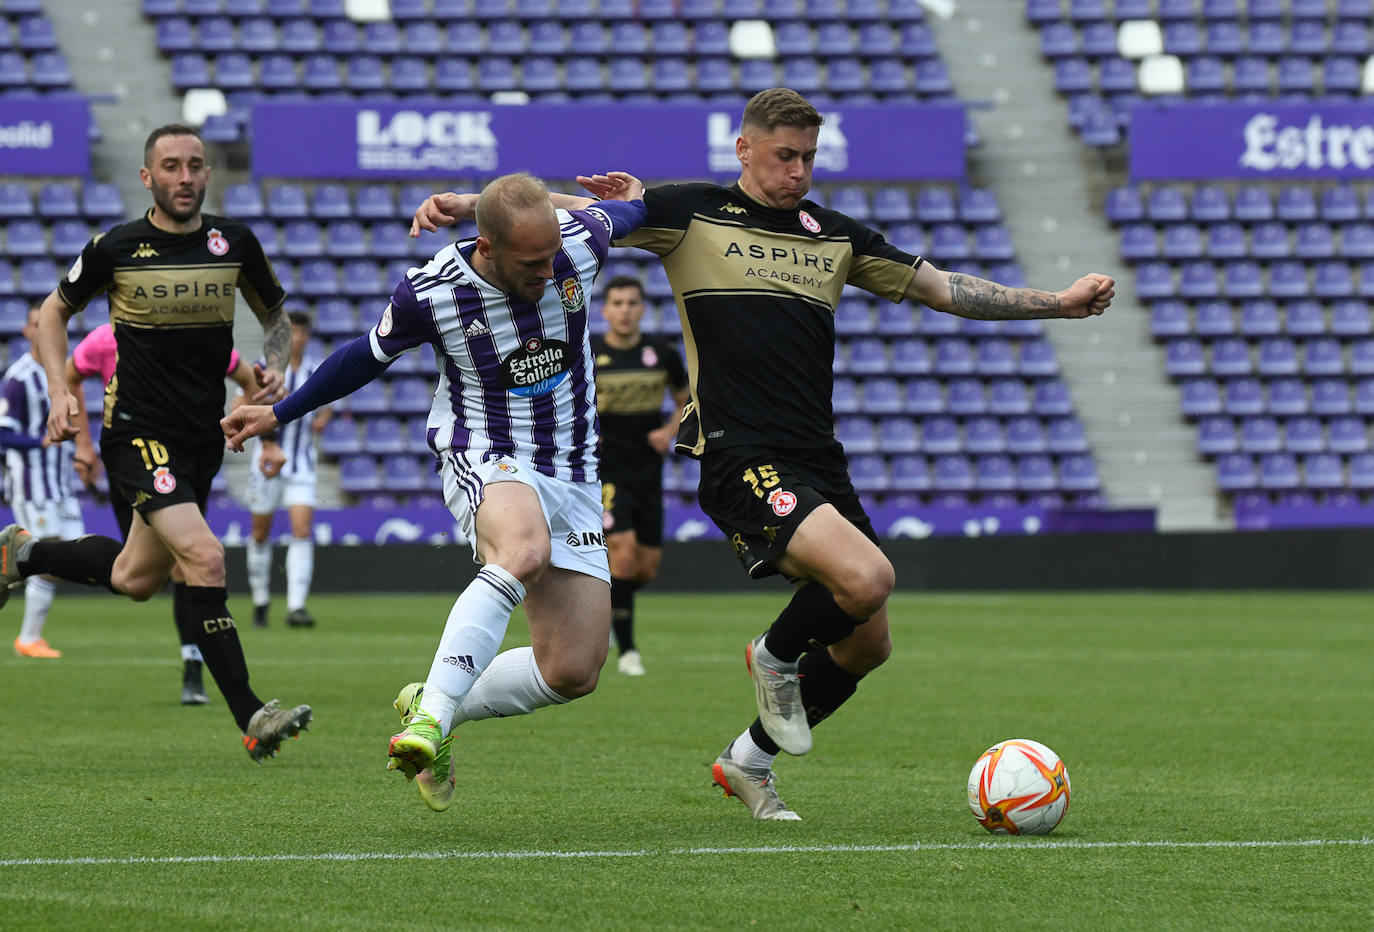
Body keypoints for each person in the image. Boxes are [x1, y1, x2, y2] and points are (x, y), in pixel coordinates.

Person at [411, 88, 1115, 820]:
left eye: (809, 157)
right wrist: (471, 203)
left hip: (818, 456)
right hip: (737, 449)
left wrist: (1056, 303)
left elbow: (946, 289)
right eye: (785, 156)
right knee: (870, 575)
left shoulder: (837, 235)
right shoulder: (693, 212)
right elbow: (569, 214)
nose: (798, 172)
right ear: (745, 149)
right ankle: (774, 657)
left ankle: (747, 760)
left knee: (867, 641)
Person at [222, 171, 648, 811]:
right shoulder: (433, 289)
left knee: (572, 671)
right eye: (529, 263)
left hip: (575, 470)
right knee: (522, 551)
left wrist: (615, 200)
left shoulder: (580, 240)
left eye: (549, 255)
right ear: (487, 246)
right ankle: (428, 722)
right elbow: (363, 357)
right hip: (486, 450)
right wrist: (278, 415)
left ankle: (435, 705)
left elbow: (632, 209)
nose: (545, 271)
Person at [0, 123, 312, 762]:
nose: (186, 176)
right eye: (171, 165)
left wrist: (274, 362)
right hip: (136, 433)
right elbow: (55, 310)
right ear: (148, 177)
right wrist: (63, 390)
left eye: (195, 165)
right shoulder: (117, 248)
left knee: (135, 578)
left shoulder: (233, 243)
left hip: (201, 437)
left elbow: (274, 315)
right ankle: (252, 714)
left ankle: (24, 555)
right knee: (204, 558)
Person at [66, 320, 287, 703]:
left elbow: (247, 379)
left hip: (184, 463)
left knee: (185, 563)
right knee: (134, 578)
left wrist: (263, 437)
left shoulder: (195, 334)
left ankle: (193, 670)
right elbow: (70, 376)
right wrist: (83, 444)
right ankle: (31, 556)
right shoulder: (104, 339)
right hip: (133, 462)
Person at [590, 275, 689, 676]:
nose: (625, 310)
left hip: (648, 469)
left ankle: (615, 609)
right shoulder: (589, 352)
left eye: (632, 303)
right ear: (605, 311)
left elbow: (686, 400)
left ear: (642, 308)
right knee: (624, 553)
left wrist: (669, 432)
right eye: (618, 303)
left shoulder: (662, 352)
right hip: (606, 467)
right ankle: (628, 650)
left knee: (645, 567)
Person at [1, 306, 83, 659]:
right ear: (27, 331)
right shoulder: (18, 378)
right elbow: (3, 434)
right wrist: (41, 441)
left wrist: (81, 455)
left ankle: (29, 631)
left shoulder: (60, 373)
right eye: (38, 325)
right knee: (46, 557)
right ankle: (29, 638)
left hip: (61, 483)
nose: (45, 330)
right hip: (31, 483)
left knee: (68, 557)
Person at [239, 309, 329, 630]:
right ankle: (261, 600)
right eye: (293, 333)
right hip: (265, 463)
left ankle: (296, 607)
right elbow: (240, 405)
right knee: (260, 533)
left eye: (303, 333)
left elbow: (328, 404)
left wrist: (321, 420)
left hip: (301, 463)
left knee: (302, 530)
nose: (299, 339)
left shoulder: (316, 369)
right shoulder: (262, 368)